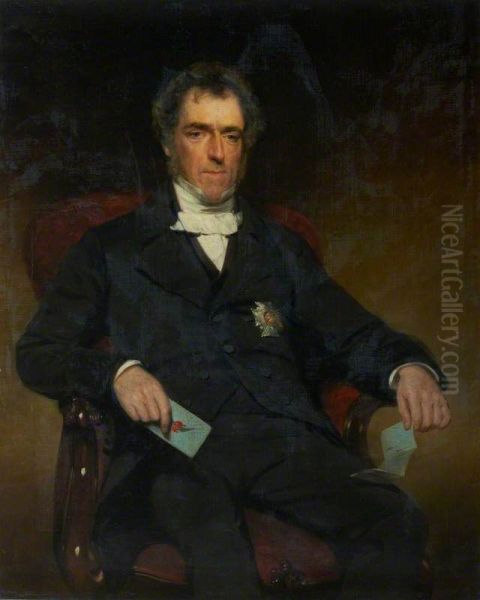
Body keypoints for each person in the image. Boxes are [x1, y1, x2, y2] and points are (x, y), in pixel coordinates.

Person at [16, 62, 451, 599]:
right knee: (217, 550)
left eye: (231, 135)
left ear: (246, 147)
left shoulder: (281, 248)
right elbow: (38, 352)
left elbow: (353, 332)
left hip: (281, 440)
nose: (217, 153)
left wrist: (407, 368)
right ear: (169, 144)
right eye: (198, 133)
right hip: (175, 443)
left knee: (397, 520)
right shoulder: (111, 248)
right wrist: (117, 374)